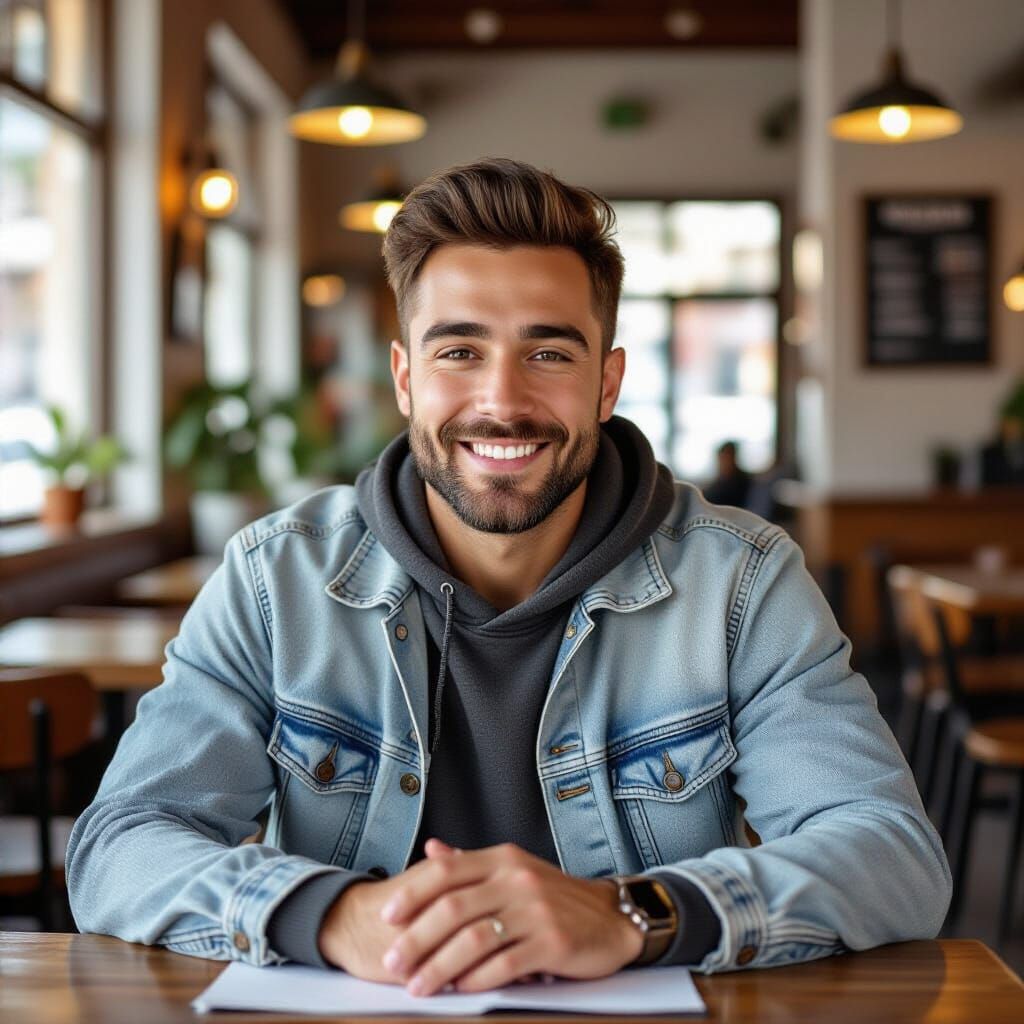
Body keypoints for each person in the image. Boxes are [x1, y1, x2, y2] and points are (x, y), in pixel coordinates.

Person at [67, 158, 950, 995]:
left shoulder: (741, 584)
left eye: (550, 353)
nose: (502, 400)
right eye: (459, 352)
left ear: (607, 384)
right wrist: (332, 914)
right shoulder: (275, 578)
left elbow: (894, 857)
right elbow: (120, 844)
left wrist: (632, 913)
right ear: (406, 378)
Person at [703, 441, 752, 509]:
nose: (722, 463)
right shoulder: (720, 480)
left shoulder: (741, 481)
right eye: (720, 459)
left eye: (725, 458)